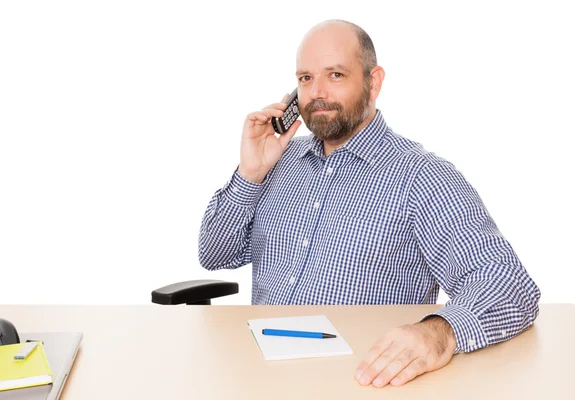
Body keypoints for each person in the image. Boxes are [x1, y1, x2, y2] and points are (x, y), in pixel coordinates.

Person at [198, 19, 541, 388]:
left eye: (335, 75)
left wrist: (438, 333)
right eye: (305, 78)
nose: (317, 93)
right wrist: (250, 174)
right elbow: (215, 253)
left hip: (356, 381)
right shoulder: (277, 162)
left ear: (374, 82)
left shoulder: (422, 177)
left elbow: (507, 282)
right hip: (257, 374)